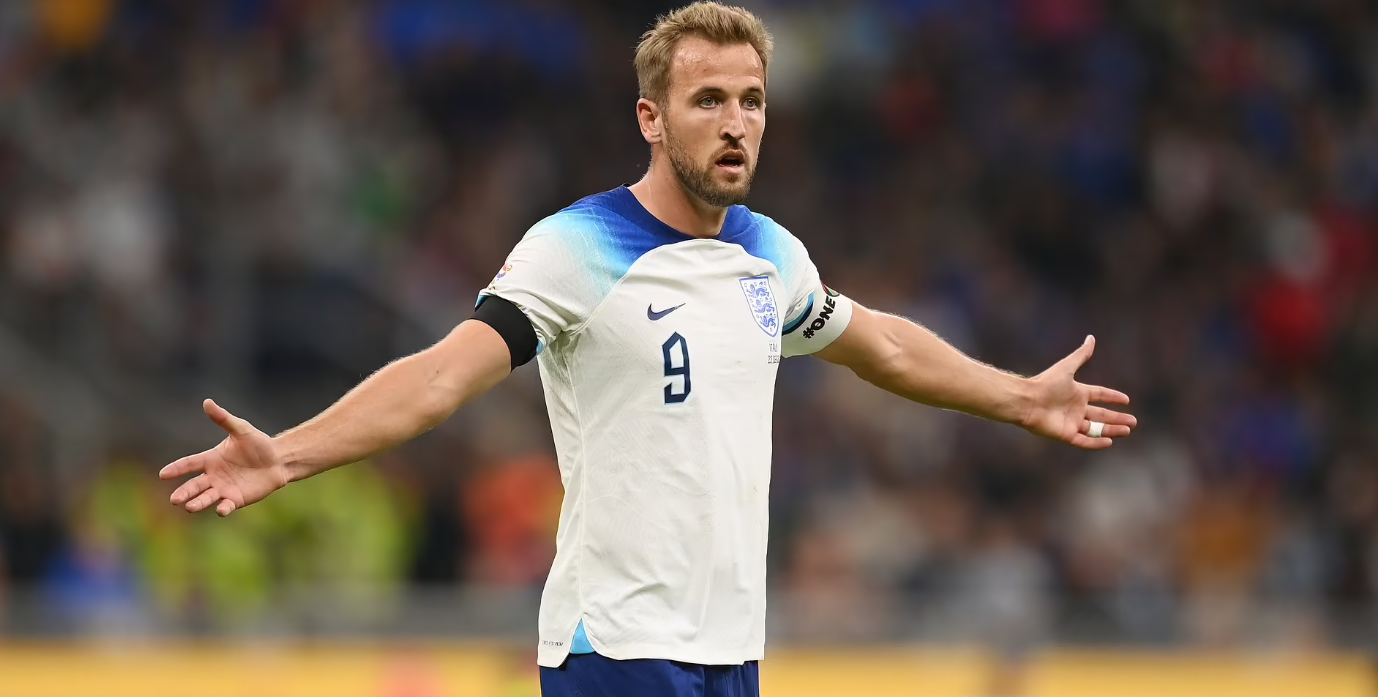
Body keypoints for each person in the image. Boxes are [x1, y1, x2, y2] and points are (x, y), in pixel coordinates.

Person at [161, 3, 1137, 696]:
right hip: (616, 648)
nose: (735, 123)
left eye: (751, 100)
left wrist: (1018, 396)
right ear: (651, 118)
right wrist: (290, 453)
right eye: (708, 99)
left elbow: (879, 343)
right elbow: (442, 375)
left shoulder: (769, 254)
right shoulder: (575, 247)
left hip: (731, 646)